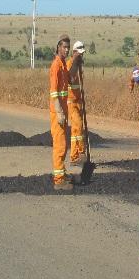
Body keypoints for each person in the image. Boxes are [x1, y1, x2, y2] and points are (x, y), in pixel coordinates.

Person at [49, 34, 76, 190]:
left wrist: (77, 61)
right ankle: (59, 180)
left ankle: (62, 172)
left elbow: (70, 80)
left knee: (63, 143)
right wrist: (59, 111)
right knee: (60, 144)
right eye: (64, 47)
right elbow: (54, 92)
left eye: (68, 47)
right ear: (58, 47)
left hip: (64, 110)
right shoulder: (56, 66)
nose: (66, 49)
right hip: (57, 111)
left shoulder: (64, 64)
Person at [66, 41, 87, 168]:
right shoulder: (70, 64)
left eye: (82, 54)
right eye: (79, 54)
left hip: (78, 101)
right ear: (74, 53)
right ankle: (81, 152)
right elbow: (71, 77)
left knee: (75, 131)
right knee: (78, 126)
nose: (81, 56)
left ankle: (74, 157)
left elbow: (78, 85)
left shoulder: (78, 65)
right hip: (71, 102)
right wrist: (76, 63)